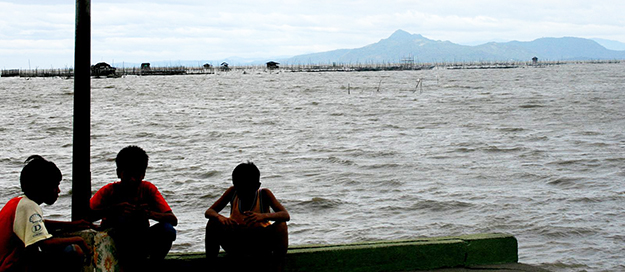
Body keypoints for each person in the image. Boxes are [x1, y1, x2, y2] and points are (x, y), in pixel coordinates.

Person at [89, 145, 177, 270]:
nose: (132, 180)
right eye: (128, 175)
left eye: (136, 176)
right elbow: (84, 216)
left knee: (168, 230)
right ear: (119, 173)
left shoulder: (147, 189)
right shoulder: (109, 191)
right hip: (116, 240)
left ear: (143, 174)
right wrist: (113, 210)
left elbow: (172, 219)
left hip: (141, 239)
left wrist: (150, 214)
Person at [0, 155, 93, 272]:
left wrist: (73, 224)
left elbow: (41, 224)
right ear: (43, 187)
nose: (58, 190)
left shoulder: (18, 203)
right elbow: (45, 243)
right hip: (9, 267)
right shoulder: (28, 206)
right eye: (55, 186)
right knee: (73, 251)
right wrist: (78, 240)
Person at [205, 162, 290, 271]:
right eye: (239, 188)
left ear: (257, 186)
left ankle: (278, 267)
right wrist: (220, 217)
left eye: (246, 189)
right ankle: (210, 265)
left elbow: (285, 215)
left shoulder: (264, 194)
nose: (242, 192)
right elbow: (209, 212)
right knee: (212, 223)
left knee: (281, 226)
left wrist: (263, 216)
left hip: (260, 243)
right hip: (237, 243)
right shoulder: (232, 192)